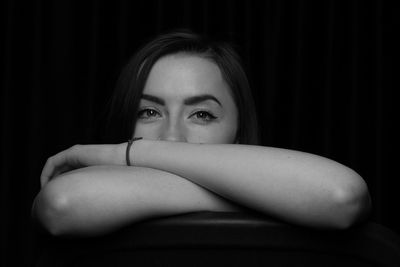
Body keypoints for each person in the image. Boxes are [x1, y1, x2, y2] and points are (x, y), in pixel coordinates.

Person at [32, 30, 371, 236]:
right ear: (126, 124)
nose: (172, 137)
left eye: (201, 114)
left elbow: (342, 197)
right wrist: (246, 197)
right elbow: (61, 204)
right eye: (149, 112)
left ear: (238, 138)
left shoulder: (122, 152)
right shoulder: (85, 194)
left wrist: (114, 152)